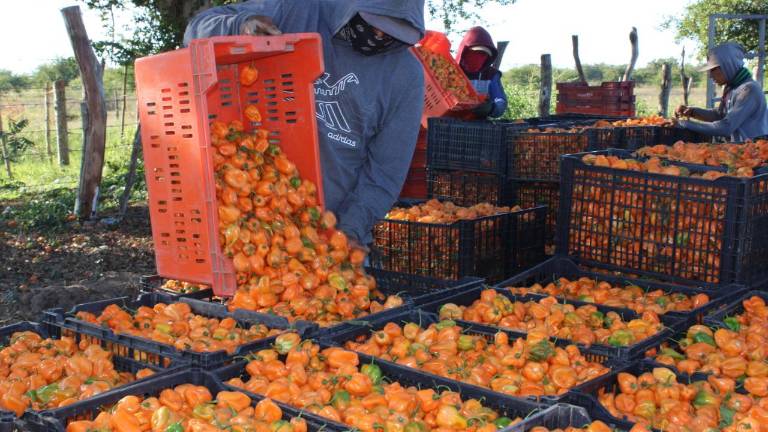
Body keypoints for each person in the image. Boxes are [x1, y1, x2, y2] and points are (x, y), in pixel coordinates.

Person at [184, 0, 426, 247]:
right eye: (373, 23)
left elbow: (384, 174)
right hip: (249, 220)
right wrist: (241, 25)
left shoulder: (406, 76)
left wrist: (349, 231)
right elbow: (195, 29)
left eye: (392, 32)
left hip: (328, 231)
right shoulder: (296, 10)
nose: (378, 35)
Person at [676, 42, 768, 142]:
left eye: (713, 70)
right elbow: (720, 115)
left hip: (753, 152)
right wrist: (693, 112)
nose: (710, 76)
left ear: (727, 66)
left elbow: (726, 127)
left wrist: (684, 124)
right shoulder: (731, 88)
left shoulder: (749, 89)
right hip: (737, 149)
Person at [456, 26, 508, 119]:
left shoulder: (490, 75)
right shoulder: (450, 70)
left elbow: (500, 100)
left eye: (484, 55)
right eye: (476, 52)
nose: (479, 58)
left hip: (477, 126)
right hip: (448, 124)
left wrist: (492, 108)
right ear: (465, 51)